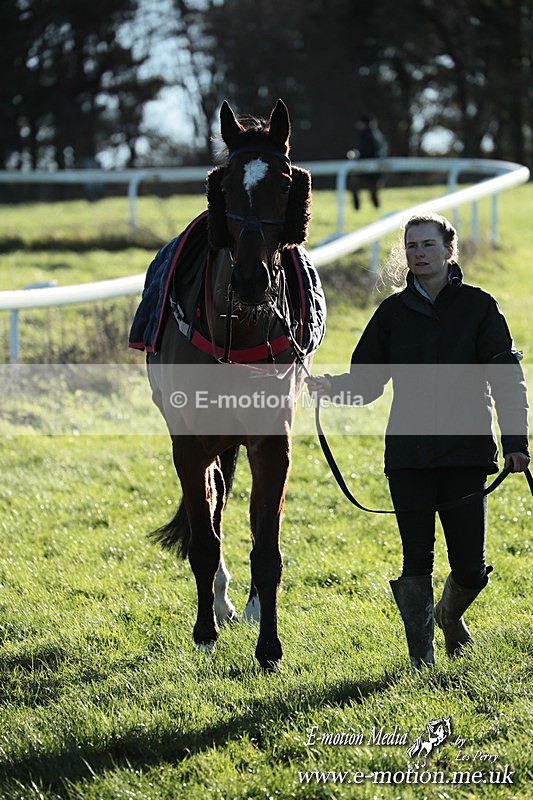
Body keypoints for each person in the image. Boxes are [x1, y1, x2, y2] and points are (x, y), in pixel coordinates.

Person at [306, 213, 530, 672]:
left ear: (450, 251)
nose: (419, 253)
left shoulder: (480, 307)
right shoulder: (391, 313)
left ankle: (449, 614)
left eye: (428, 244)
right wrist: (330, 388)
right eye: (411, 246)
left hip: (466, 453)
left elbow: (508, 381)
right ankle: (420, 661)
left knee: (470, 567)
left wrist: (516, 441)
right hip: (407, 457)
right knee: (416, 561)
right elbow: (366, 384)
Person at [347, 114, 388, 211]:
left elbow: (367, 151)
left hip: (369, 172)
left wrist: (356, 155)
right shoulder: (377, 134)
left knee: (355, 188)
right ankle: (377, 211)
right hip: (376, 172)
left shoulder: (369, 135)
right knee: (373, 193)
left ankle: (358, 210)